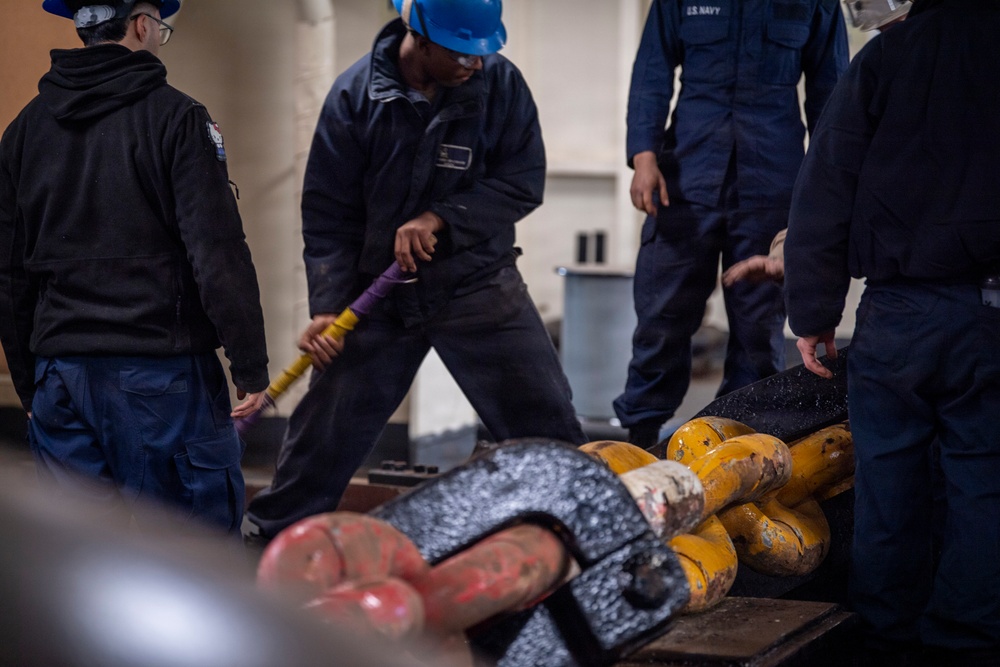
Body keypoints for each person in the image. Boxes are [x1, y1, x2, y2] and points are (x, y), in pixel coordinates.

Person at [245, 0, 587, 541]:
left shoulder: (500, 85)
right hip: (377, 296)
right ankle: (269, 546)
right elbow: (328, 214)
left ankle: (587, 535)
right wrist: (328, 307)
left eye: (483, 52)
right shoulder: (355, 98)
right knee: (322, 439)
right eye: (461, 53)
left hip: (477, 283)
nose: (475, 64)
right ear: (419, 38)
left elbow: (524, 181)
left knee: (547, 427)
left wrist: (441, 218)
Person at [0, 0, 269, 536]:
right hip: (160, 379)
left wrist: (30, 389)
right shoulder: (178, 118)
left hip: (60, 379)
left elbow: (9, 276)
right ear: (143, 24)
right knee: (191, 558)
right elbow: (216, 251)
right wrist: (250, 366)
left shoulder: (22, 132)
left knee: (84, 565)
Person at [784, 0, 1000, 664]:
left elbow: (825, 185)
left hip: (897, 315)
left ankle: (882, 633)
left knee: (888, 477)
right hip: (991, 315)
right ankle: (967, 642)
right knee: (983, 481)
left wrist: (813, 310)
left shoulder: (884, 58)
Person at [615, 0, 849, 449]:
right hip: (684, 179)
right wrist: (642, 156)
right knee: (661, 317)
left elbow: (831, 93)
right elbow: (651, 73)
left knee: (758, 332)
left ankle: (739, 445)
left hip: (773, 181)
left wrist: (826, 187)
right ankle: (639, 442)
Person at [721, 0, 912, 290]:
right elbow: (838, 178)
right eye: (885, 30)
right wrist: (790, 248)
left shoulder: (970, 72)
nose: (893, 38)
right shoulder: (877, 78)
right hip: (906, 285)